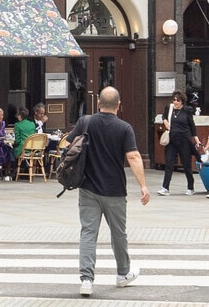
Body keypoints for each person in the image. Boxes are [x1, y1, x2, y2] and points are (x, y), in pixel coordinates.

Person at [72, 84, 149, 296]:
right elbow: (133, 156)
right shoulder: (124, 128)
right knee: (118, 233)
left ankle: (86, 279)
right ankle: (123, 274)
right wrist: (143, 185)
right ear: (119, 105)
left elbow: (68, 146)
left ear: (98, 103)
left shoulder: (84, 122)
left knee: (88, 232)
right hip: (115, 189)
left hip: (87, 187)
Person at [159, 92, 199, 194]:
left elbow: (192, 125)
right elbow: (163, 116)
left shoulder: (187, 110)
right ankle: (165, 187)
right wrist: (165, 121)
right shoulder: (169, 108)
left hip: (184, 139)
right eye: (174, 99)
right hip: (171, 140)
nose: (175, 102)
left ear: (182, 101)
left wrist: (196, 139)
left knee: (186, 164)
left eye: (178, 100)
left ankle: (190, 187)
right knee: (169, 163)